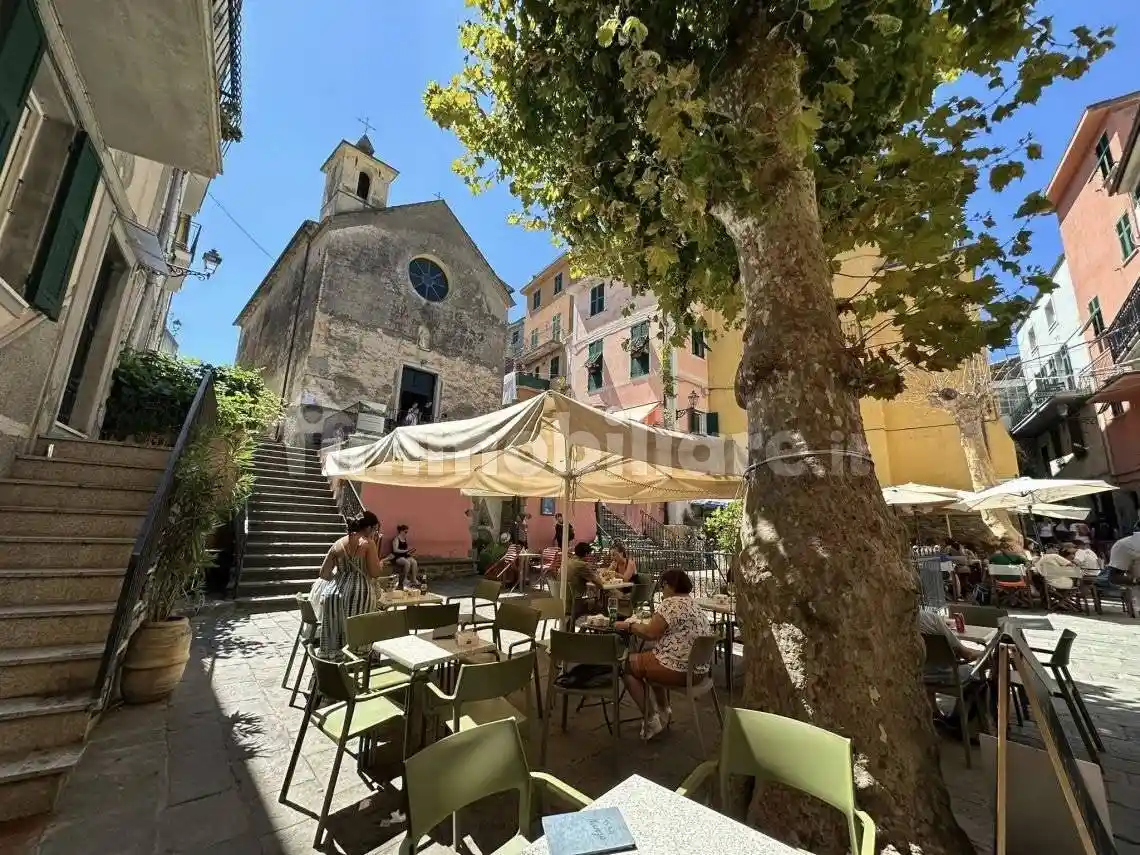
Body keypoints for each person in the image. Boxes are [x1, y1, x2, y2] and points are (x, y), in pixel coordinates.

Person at [615, 569, 712, 741]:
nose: (662, 590)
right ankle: (663, 709)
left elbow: (651, 633)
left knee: (626, 665)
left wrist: (629, 626)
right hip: (699, 671)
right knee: (651, 658)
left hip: (678, 669)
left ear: (668, 585)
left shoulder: (670, 603)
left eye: (662, 586)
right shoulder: (694, 605)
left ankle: (652, 719)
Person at [316, 511, 384, 658]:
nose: (375, 533)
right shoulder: (368, 544)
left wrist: (342, 578)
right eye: (375, 529)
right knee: (356, 637)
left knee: (335, 632)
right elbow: (375, 573)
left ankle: (333, 664)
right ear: (369, 528)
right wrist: (380, 564)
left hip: (333, 593)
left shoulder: (338, 543)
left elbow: (324, 573)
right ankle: (355, 664)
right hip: (359, 594)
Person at [390, 524, 419, 589]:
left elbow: (405, 549)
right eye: (405, 532)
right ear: (401, 531)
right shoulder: (396, 539)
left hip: (404, 556)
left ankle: (414, 579)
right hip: (397, 556)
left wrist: (410, 552)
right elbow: (395, 550)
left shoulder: (404, 539)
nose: (406, 533)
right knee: (407, 563)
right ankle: (404, 579)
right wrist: (405, 551)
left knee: (414, 562)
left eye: (407, 532)